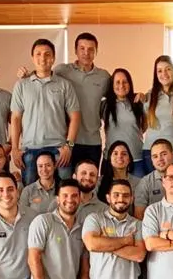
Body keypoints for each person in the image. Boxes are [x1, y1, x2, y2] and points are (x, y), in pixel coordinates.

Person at [9, 38, 81, 184]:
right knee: (30, 191)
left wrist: (69, 146)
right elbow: (15, 118)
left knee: (66, 190)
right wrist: (15, 149)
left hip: (59, 149)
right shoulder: (21, 85)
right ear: (32, 57)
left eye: (47, 54)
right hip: (30, 149)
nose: (43, 58)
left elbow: (75, 117)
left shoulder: (64, 85)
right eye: (38, 54)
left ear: (53, 58)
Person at [53, 32, 111, 169]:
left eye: (91, 49)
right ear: (75, 50)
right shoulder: (62, 71)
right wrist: (26, 75)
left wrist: (138, 96)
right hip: (67, 141)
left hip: (93, 141)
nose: (86, 53)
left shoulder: (103, 77)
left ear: (96, 52)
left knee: (90, 179)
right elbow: (43, 80)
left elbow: (119, 94)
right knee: (68, 181)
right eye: (82, 48)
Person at [99, 70, 147, 175]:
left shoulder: (137, 102)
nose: (121, 85)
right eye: (117, 82)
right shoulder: (105, 105)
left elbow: (145, 126)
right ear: (112, 85)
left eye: (125, 82)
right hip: (111, 160)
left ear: (130, 84)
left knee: (138, 186)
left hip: (136, 158)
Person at [20, 151, 59, 220]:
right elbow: (22, 216)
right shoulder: (28, 190)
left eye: (48, 165)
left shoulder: (63, 188)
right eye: (40, 166)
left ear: (54, 165)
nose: (44, 169)